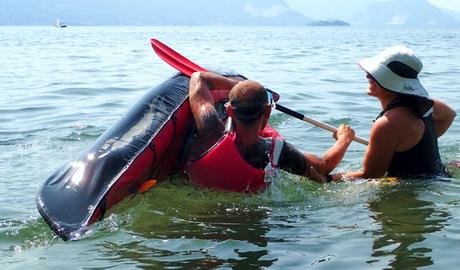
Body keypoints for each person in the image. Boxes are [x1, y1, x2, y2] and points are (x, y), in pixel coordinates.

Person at [184, 71, 355, 192]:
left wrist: (237, 86)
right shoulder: (276, 152)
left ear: (229, 112)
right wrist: (344, 139)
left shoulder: (210, 131)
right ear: (267, 113)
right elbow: (324, 166)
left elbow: (198, 78)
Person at [322, 46, 456, 181]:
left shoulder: (387, 124)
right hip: (439, 177)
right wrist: (412, 146)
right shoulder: (427, 105)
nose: (367, 76)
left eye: (373, 75)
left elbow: (371, 175)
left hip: (412, 191)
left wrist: (328, 178)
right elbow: (449, 115)